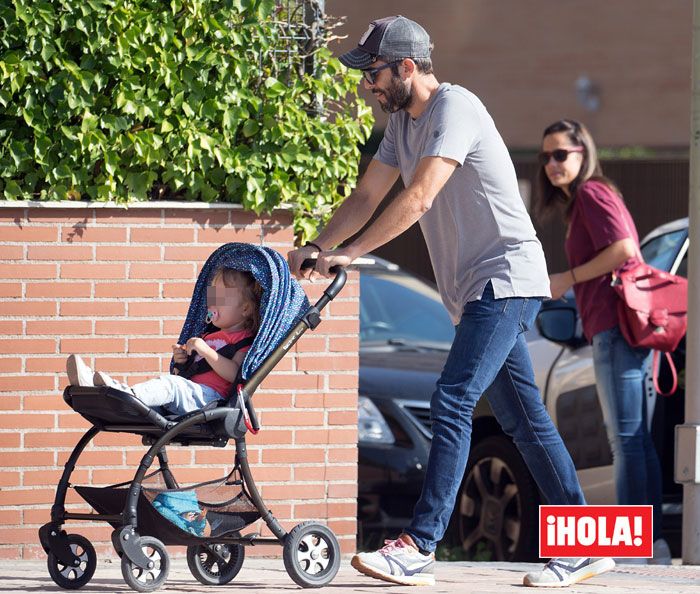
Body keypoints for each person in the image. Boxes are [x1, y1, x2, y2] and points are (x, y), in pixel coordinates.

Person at [287, 15, 614, 588]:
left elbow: (418, 197)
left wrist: (354, 252)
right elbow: (368, 194)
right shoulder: (401, 127)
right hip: (477, 292)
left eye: (375, 72)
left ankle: (420, 544)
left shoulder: (455, 107)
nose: (368, 84)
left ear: (408, 67)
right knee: (524, 421)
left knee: (454, 398)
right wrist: (321, 243)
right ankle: (583, 544)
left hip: (506, 279)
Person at [535, 118, 671, 565]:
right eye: (546, 156)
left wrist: (566, 279)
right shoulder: (582, 201)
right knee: (636, 439)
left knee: (625, 439)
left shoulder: (593, 193)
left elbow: (625, 250)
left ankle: (637, 545)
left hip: (615, 328)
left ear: (582, 152)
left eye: (561, 154)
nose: (553, 164)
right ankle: (650, 543)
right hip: (613, 330)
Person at [65, 267, 262, 416]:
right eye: (212, 297)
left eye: (221, 299)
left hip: (209, 400)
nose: (213, 304)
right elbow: (187, 374)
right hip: (190, 394)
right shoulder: (209, 336)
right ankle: (101, 391)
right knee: (164, 389)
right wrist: (183, 361)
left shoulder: (242, 341)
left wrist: (207, 352)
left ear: (245, 309)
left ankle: (121, 395)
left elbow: (236, 374)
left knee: (169, 385)